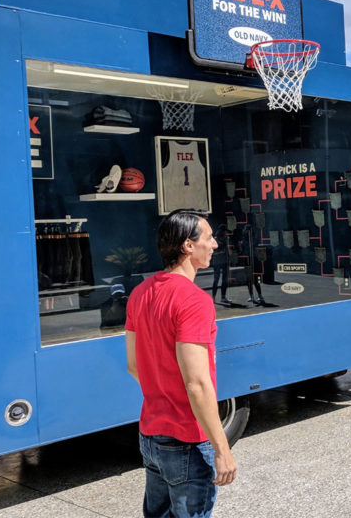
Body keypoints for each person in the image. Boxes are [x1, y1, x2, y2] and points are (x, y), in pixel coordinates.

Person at [126, 209, 237, 517]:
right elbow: (197, 383)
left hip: (150, 436)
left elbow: (134, 366)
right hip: (186, 440)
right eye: (210, 237)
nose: (215, 244)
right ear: (188, 246)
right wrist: (222, 449)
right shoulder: (193, 300)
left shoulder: (139, 293)